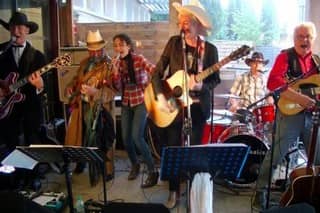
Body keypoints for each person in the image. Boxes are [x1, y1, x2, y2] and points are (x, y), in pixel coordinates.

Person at [151, 2, 221, 209]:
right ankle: (173, 190)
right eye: (181, 21)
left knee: (195, 150)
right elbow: (157, 73)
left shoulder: (210, 49)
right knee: (172, 149)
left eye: (188, 21)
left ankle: (193, 191)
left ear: (199, 25)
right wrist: (160, 97)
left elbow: (215, 79)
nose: (184, 25)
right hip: (174, 106)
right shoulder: (173, 43)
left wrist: (202, 84)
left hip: (198, 108)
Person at [252, 22, 320, 211]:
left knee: (317, 157)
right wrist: (301, 98)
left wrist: (313, 101)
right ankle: (260, 193)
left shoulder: (317, 61)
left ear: (312, 39)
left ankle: (312, 192)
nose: (304, 40)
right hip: (289, 114)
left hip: (312, 117)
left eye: (307, 37)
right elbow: (274, 83)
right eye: (300, 36)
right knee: (276, 155)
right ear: (294, 38)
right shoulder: (285, 56)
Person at [65, 30, 116, 185]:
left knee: (101, 139)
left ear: (103, 49)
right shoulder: (84, 63)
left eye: (97, 50)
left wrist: (97, 92)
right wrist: (70, 86)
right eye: (91, 50)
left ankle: (106, 170)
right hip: (82, 105)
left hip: (100, 109)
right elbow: (76, 79)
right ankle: (82, 162)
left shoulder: (109, 65)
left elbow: (113, 91)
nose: (94, 53)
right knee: (81, 137)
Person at [110, 33, 158, 188]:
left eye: (121, 45)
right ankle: (135, 165)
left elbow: (154, 70)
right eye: (116, 45)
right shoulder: (116, 63)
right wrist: (115, 72)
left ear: (129, 46)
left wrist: (151, 86)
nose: (118, 48)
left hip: (141, 100)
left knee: (137, 137)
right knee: (125, 138)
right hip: (125, 101)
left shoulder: (139, 59)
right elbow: (117, 88)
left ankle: (152, 170)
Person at [0, 12, 45, 150]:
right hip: (7, 110)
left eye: (19, 27)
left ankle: (32, 171)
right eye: (13, 28)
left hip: (30, 110)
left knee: (32, 146)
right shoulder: (1, 52)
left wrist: (40, 85)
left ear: (27, 30)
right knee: (10, 147)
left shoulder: (37, 56)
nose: (15, 31)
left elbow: (46, 86)